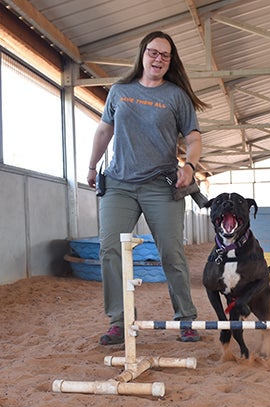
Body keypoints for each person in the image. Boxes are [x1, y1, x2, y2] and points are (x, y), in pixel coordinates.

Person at [87, 31, 209, 345]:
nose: (158, 59)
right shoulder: (119, 91)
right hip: (119, 185)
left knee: (172, 253)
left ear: (171, 61)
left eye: (164, 55)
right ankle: (119, 319)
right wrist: (91, 166)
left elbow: (193, 138)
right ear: (142, 54)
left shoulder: (176, 96)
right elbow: (104, 130)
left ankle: (185, 319)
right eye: (153, 52)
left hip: (161, 185)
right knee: (109, 249)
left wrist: (190, 166)